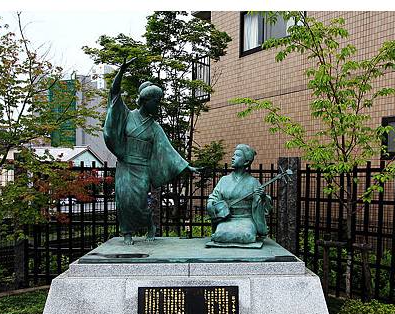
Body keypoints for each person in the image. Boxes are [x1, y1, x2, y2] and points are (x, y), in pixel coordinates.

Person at [104, 59, 200, 245]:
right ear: (146, 101)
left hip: (142, 168)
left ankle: (149, 224)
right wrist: (121, 71)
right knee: (124, 201)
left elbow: (169, 152)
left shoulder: (155, 128)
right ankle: (127, 233)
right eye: (156, 102)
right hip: (126, 165)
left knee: (139, 203)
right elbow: (114, 96)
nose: (158, 106)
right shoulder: (127, 116)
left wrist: (187, 167)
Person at [207, 144, 272, 244]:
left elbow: (263, 205)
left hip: (246, 219)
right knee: (220, 235)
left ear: (246, 161)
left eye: (237, 155)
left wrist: (262, 197)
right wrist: (211, 202)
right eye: (233, 155)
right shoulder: (224, 180)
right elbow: (215, 196)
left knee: (246, 236)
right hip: (227, 218)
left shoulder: (253, 182)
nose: (233, 158)